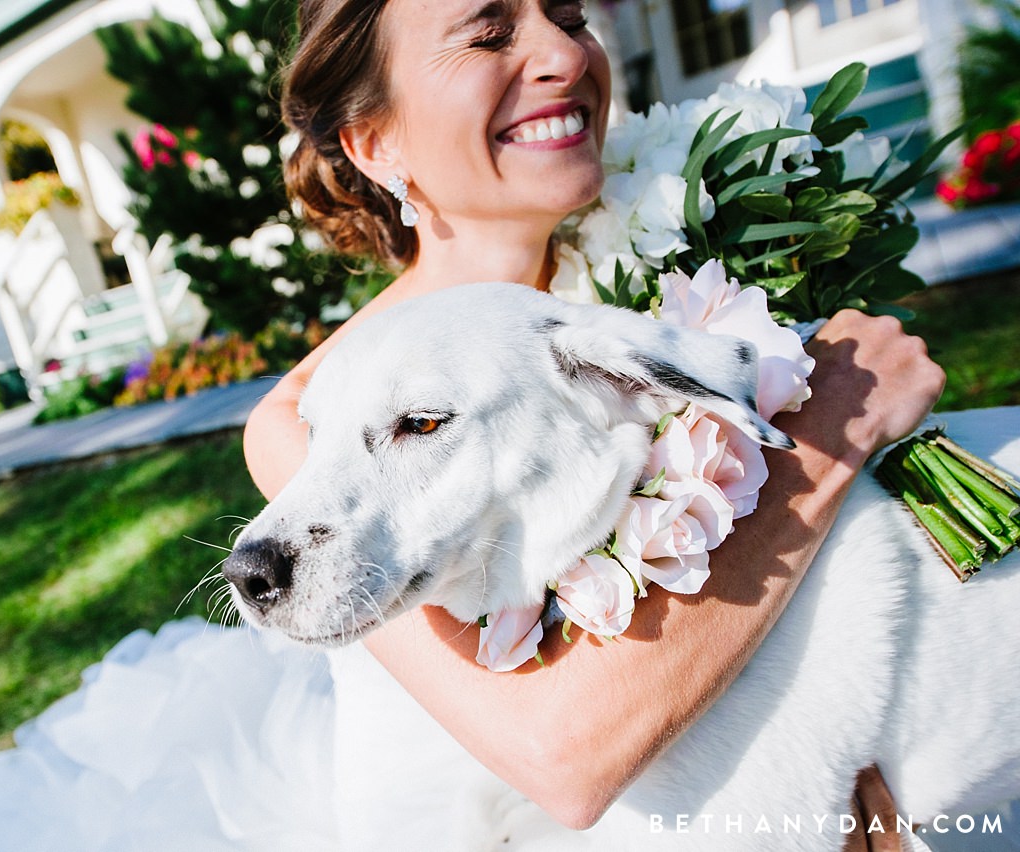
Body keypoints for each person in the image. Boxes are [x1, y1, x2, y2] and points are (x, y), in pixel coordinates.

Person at [242, 0, 943, 841]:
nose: (564, 57)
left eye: (569, 16)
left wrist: (869, 733)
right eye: (489, 33)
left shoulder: (651, 286)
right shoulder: (306, 415)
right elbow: (561, 758)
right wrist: (832, 424)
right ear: (374, 141)